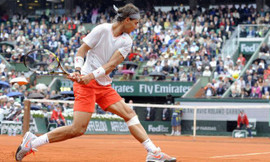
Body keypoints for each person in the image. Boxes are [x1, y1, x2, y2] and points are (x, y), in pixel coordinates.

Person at [15, 4, 176, 162]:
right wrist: (78, 69)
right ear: (127, 20)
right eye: (136, 22)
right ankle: (33, 142)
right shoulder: (101, 29)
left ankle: (153, 152)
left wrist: (91, 76)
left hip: (103, 85)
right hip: (86, 85)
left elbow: (111, 65)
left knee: (129, 114)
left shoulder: (127, 41)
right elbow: (81, 51)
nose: (137, 26)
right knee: (78, 129)